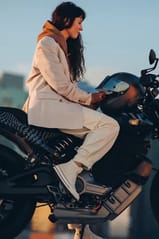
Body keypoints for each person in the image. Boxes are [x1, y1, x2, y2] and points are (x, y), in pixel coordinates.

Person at [23, 2, 119, 203]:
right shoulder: (47, 44)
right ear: (66, 20)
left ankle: (82, 231)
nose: (81, 27)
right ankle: (72, 169)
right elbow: (61, 85)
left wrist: (94, 97)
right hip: (49, 108)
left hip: (58, 107)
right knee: (109, 125)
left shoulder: (60, 47)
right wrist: (90, 98)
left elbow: (67, 87)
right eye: (79, 22)